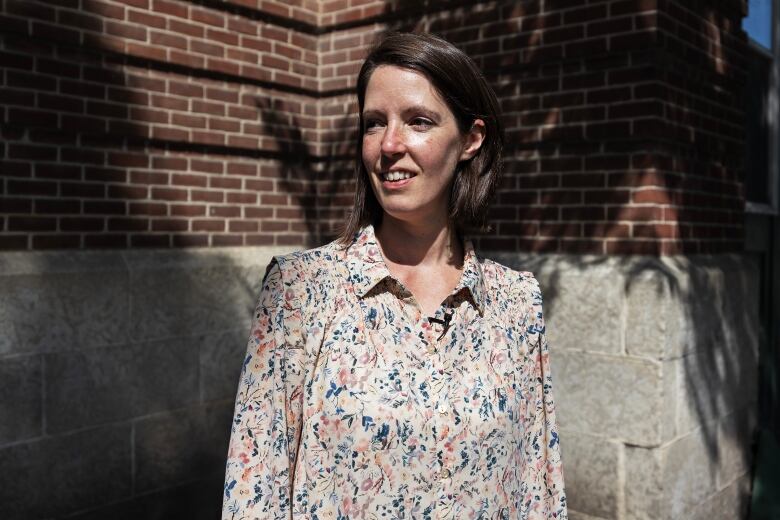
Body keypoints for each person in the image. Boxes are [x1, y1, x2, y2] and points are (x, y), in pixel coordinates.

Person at [222, 32, 567, 520]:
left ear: (471, 139)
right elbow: (254, 488)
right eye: (373, 124)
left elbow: (537, 484)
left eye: (418, 121)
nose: (388, 145)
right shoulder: (301, 291)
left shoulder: (516, 302)